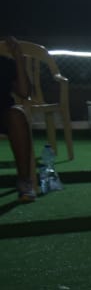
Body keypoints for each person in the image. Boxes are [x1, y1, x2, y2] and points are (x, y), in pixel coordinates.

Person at [2, 37, 35, 202]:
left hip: (3, 113)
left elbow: (24, 92)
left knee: (17, 114)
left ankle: (24, 181)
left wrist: (19, 59)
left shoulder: (5, 63)